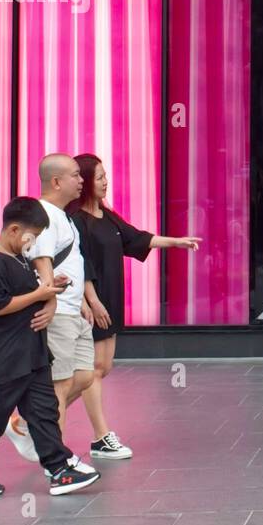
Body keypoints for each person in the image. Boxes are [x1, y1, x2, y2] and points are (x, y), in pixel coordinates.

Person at [0, 197, 100, 497]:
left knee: (44, 410)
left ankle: (58, 467)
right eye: (31, 238)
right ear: (14, 230)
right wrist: (39, 295)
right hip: (6, 355)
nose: (32, 245)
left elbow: (28, 292)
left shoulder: (19, 259)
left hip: (32, 353)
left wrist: (49, 289)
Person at [70, 153, 201, 460]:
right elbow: (81, 263)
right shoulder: (76, 220)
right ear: (86, 182)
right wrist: (92, 300)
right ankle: (100, 437)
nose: (105, 182)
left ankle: (32, 417)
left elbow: (137, 238)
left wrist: (176, 242)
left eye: (105, 176)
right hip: (93, 303)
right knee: (91, 371)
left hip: (110, 299)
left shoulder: (106, 215)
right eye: (100, 177)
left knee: (101, 368)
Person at [3, 154, 97, 474]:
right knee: (58, 386)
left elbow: (69, 260)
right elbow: (42, 258)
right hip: (58, 312)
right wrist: (50, 299)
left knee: (84, 376)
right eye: (75, 175)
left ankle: (25, 424)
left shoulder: (63, 216)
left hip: (72, 308)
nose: (81, 179)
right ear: (56, 181)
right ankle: (56, 461)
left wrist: (83, 299)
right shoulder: (45, 213)